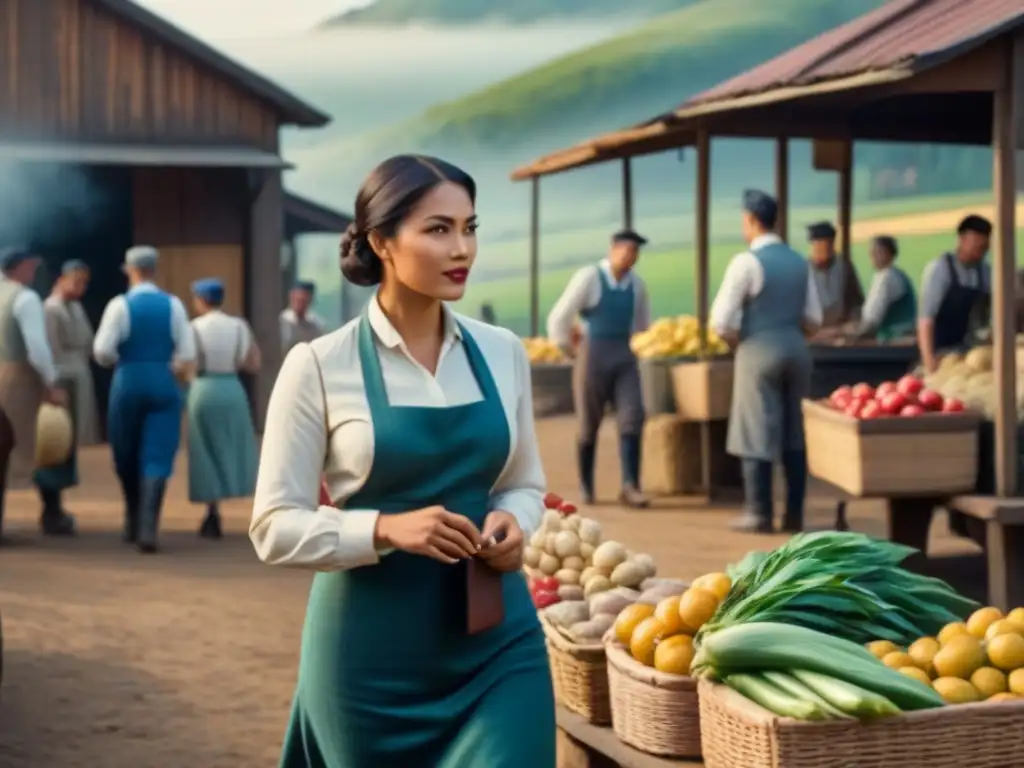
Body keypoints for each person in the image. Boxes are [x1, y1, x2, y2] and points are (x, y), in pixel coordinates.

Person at [251, 154, 554, 767]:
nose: (461, 247)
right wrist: (385, 528)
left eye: (469, 227)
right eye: (437, 229)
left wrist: (515, 522)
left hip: (495, 640)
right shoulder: (318, 365)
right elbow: (272, 527)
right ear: (381, 242)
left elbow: (524, 484)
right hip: (368, 658)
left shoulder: (501, 352)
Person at [709, 190, 823, 534]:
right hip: (797, 350)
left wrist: (739, 342)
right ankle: (794, 514)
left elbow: (721, 320)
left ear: (750, 220)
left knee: (754, 428)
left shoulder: (746, 262)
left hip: (758, 350)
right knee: (794, 433)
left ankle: (758, 512)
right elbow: (814, 319)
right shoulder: (800, 261)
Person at [93, 245, 196, 553]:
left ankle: (131, 518)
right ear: (155, 269)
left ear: (130, 270)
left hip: (128, 379)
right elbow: (188, 353)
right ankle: (148, 527)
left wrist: (122, 358)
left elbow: (102, 351)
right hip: (163, 380)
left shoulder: (119, 305)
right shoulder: (174, 305)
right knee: (158, 453)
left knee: (125, 451)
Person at [546, 229, 652, 508]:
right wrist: (569, 349)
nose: (630, 257)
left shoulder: (637, 286)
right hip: (592, 356)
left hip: (624, 356)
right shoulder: (590, 278)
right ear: (613, 249)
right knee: (588, 423)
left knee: (633, 415)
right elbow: (559, 318)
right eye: (626, 250)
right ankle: (586, 485)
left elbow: (642, 324)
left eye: (635, 252)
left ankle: (631, 486)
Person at [0, 247, 70, 541]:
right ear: (21, 267)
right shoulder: (25, 298)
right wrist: (51, 383)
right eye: (31, 267)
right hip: (19, 379)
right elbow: (37, 349)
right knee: (21, 447)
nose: (34, 272)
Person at [187, 277, 260, 539]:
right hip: (232, 387)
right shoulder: (239, 326)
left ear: (200, 300)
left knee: (204, 449)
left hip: (204, 387)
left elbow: (187, 362)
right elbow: (253, 363)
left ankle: (211, 511)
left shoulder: (194, 327)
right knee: (235, 445)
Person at [33, 260, 99, 531]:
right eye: (76, 281)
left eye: (84, 282)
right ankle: (51, 507)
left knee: (67, 447)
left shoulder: (75, 307)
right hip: (61, 379)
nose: (81, 288)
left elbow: (88, 342)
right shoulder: (51, 309)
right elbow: (49, 350)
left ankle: (56, 505)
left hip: (78, 376)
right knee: (54, 442)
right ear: (62, 279)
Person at [917, 214, 992, 373]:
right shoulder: (939, 269)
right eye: (976, 246)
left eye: (984, 248)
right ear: (962, 239)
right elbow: (926, 319)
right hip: (938, 352)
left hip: (966, 353)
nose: (980, 252)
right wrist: (929, 361)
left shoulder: (984, 272)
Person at [851, 236, 917, 341]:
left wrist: (851, 337)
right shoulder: (887, 275)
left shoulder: (888, 277)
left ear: (890, 254)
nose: (873, 255)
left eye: (878, 251)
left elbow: (872, 322)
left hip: (894, 340)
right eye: (872, 252)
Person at [805, 221, 864, 332]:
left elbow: (856, 302)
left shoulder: (844, 266)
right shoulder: (803, 270)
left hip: (840, 330)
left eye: (828, 245)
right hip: (813, 332)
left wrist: (852, 323)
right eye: (819, 245)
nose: (824, 250)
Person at [279, 280, 325, 355]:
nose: (299, 304)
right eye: (296, 300)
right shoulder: (282, 321)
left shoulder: (316, 324)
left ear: (309, 300)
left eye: (302, 301)